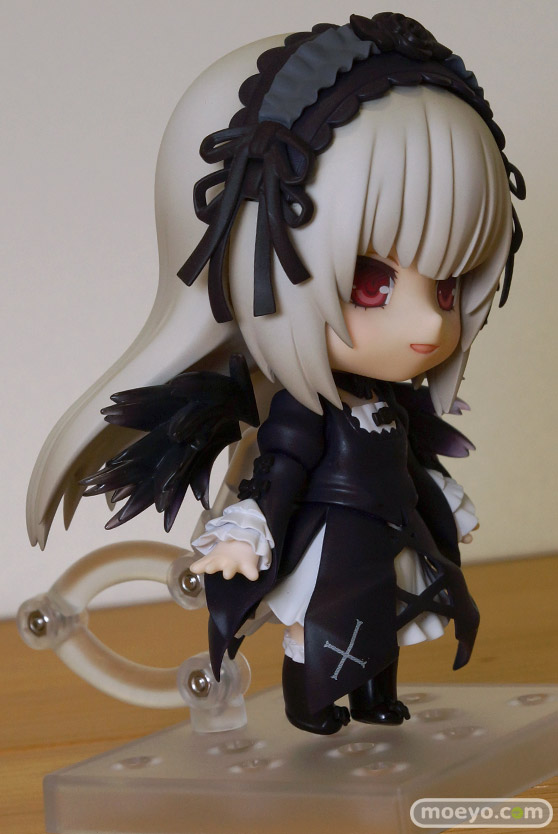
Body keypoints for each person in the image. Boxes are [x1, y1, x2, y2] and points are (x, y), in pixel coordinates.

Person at [27, 13, 525, 735]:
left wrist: (447, 507)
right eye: (373, 283)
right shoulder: (301, 411)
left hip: (385, 533)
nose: (427, 325)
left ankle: (375, 698)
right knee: (324, 624)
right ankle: (311, 702)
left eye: (447, 289)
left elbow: (412, 465)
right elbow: (279, 475)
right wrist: (242, 533)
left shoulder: (387, 401)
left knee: (385, 618)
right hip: (328, 543)